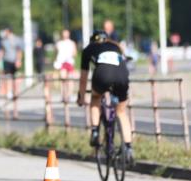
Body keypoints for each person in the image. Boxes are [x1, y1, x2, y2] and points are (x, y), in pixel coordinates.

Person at [77, 30, 134, 166]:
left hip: (102, 76)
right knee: (121, 112)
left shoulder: (88, 49)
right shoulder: (116, 46)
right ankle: (128, 147)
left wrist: (81, 96)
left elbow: (83, 79)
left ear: (93, 40)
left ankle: (95, 131)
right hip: (121, 76)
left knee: (95, 99)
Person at [0, 27, 23, 118]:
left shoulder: (16, 40)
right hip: (6, 62)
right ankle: (7, 109)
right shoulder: (3, 41)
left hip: (14, 63)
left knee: (15, 84)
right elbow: (1, 51)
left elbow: (19, 51)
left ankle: (15, 110)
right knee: (7, 83)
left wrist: (18, 60)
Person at [53, 29, 77, 102]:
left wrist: (70, 56)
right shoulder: (59, 43)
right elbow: (55, 53)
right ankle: (63, 95)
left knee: (70, 80)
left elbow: (75, 53)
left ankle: (69, 95)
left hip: (69, 62)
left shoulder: (72, 43)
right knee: (63, 80)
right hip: (62, 63)